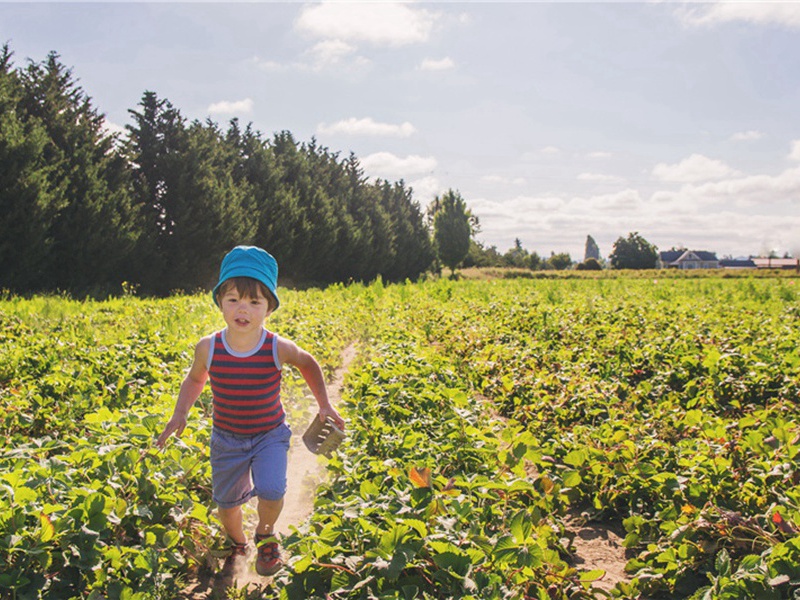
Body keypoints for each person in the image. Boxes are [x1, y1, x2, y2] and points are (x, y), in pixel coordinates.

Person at [156, 245, 345, 577]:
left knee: (272, 489)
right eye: (233, 300)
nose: (243, 309)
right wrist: (180, 412)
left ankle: (266, 536)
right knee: (227, 506)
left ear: (268, 308)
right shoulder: (209, 347)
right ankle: (239, 543)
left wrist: (325, 404)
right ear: (220, 303)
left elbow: (307, 363)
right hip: (226, 440)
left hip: (269, 434)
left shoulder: (276, 346)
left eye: (254, 302)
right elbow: (195, 379)